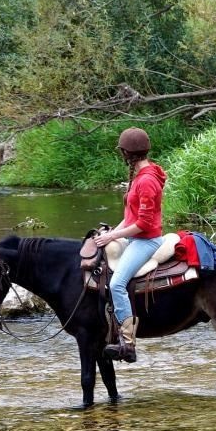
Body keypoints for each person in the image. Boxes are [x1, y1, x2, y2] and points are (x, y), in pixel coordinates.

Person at [92, 127, 167, 363]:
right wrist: (112, 232)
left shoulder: (146, 181)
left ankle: (127, 342)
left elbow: (143, 224)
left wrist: (113, 237)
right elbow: (131, 215)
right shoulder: (140, 175)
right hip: (134, 235)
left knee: (116, 284)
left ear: (126, 153)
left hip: (146, 240)